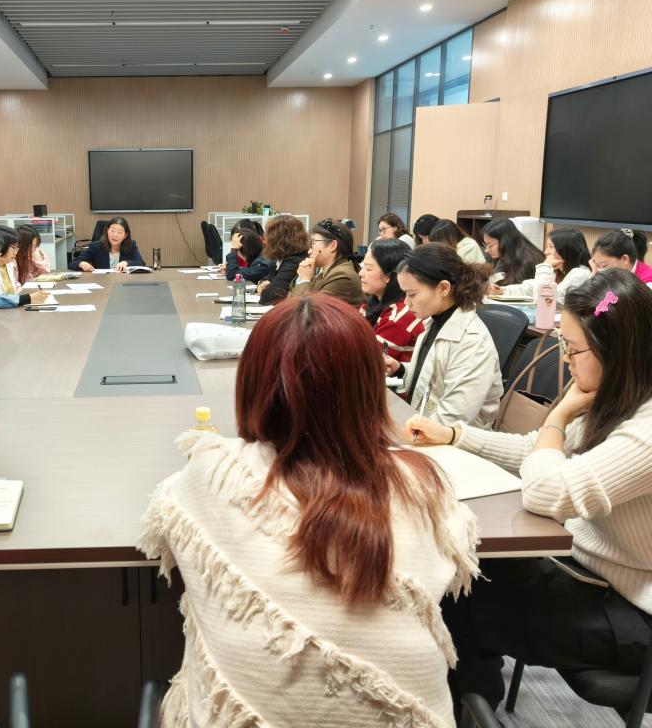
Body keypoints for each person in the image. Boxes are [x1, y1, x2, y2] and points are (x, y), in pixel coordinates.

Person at [138, 294, 479, 727]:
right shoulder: (422, 485)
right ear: (369, 389)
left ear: (253, 384)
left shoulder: (213, 471)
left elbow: (166, 522)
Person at [405, 269, 652, 714]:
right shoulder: (618, 397)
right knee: (461, 577)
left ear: (616, 352)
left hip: (634, 613)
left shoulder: (645, 430)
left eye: (573, 349)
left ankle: (466, 710)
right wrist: (456, 436)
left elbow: (545, 489)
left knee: (461, 597)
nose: (566, 360)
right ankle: (469, 706)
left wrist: (559, 415)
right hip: (587, 573)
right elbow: (536, 452)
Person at [385, 243, 503, 428]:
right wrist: (401, 370)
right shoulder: (435, 321)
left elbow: (453, 419)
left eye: (412, 294)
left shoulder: (472, 343)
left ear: (443, 288)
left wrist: (402, 434)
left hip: (453, 440)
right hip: (426, 426)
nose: (406, 303)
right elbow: (431, 379)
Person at [359, 238, 424, 363]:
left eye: (368, 269)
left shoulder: (400, 316)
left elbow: (365, 361)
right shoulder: (373, 304)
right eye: (363, 266)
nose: (361, 273)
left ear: (389, 276)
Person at [489, 227, 591, 303]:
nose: (546, 252)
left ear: (566, 249)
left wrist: (545, 267)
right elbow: (531, 287)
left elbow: (544, 301)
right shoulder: (560, 271)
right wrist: (503, 290)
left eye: (551, 247)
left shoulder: (580, 274)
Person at [292, 219, 364, 306]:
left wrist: (304, 279)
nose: (309, 251)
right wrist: (302, 279)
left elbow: (306, 310)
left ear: (333, 245)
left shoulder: (342, 276)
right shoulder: (325, 271)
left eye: (313, 243)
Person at [256, 215, 308, 304]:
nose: (265, 238)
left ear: (278, 238)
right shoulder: (285, 257)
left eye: (268, 234)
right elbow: (269, 280)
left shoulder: (294, 262)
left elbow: (269, 297)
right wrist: (264, 285)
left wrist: (266, 289)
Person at [481, 218, 544, 286]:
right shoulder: (499, 255)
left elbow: (516, 289)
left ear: (505, 241)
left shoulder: (528, 262)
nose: (486, 250)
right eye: (485, 245)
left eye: (490, 245)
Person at [70, 217, 145, 272]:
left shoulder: (131, 245)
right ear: (107, 231)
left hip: (122, 282)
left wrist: (127, 263)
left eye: (119, 232)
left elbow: (141, 263)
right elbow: (73, 263)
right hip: (102, 282)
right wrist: (81, 264)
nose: (115, 235)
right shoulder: (96, 246)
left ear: (125, 235)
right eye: (112, 231)